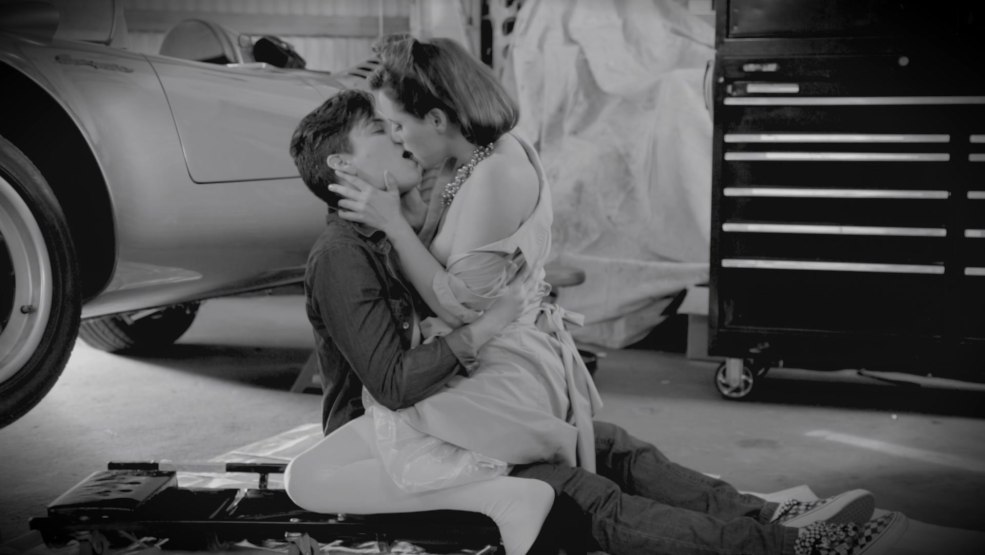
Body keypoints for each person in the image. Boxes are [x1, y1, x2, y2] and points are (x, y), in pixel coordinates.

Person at [286, 36, 908, 555]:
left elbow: (461, 269)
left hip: (444, 409)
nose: (401, 141)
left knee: (605, 446)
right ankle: (788, 544)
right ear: (345, 168)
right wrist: (483, 326)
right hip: (395, 436)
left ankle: (769, 518)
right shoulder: (345, 253)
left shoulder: (413, 205)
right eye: (385, 131)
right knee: (581, 491)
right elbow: (395, 382)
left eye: (398, 125)